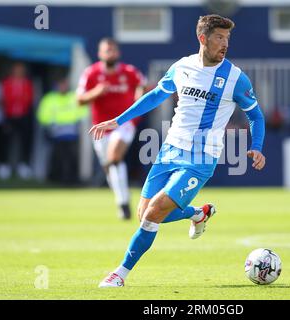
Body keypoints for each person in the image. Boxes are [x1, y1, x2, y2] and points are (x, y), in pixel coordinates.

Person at [89, 14, 266, 288]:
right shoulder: (182, 67)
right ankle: (198, 212)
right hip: (169, 151)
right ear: (202, 38)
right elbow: (156, 95)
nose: (224, 44)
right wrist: (118, 120)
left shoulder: (235, 79)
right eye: (219, 37)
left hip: (201, 158)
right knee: (144, 212)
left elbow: (256, 116)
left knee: (152, 215)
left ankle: (119, 274)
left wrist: (256, 147)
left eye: (227, 38)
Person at [77, 38, 146, 220]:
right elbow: (79, 100)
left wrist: (139, 95)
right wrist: (96, 92)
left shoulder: (129, 72)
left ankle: (123, 205)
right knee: (110, 166)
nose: (110, 54)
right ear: (100, 54)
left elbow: (144, 86)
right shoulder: (91, 74)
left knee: (115, 157)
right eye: (107, 51)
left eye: (113, 50)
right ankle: (122, 201)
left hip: (123, 124)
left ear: (118, 53)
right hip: (100, 128)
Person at [37, 78, 89, 184]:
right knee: (56, 157)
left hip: (72, 133)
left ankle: (71, 179)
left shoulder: (74, 97)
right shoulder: (49, 98)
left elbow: (84, 113)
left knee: (72, 157)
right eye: (61, 84)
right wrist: (52, 124)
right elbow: (42, 116)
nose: (63, 87)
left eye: (64, 84)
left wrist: (75, 122)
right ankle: (54, 178)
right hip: (56, 133)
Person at [2, 62, 34, 179]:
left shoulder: (27, 83)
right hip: (9, 116)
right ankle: (5, 166)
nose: (19, 72)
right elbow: (6, 98)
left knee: (24, 141)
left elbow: (28, 99)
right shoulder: (7, 82)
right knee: (7, 141)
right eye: (17, 70)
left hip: (23, 116)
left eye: (21, 70)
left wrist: (19, 100)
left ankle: (23, 165)